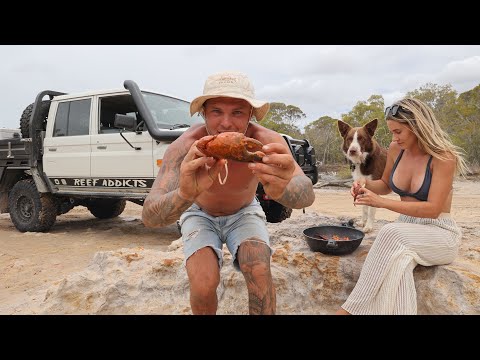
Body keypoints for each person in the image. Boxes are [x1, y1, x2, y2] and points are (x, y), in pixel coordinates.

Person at [142, 71, 315, 315]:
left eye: (237, 112)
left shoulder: (266, 141)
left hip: (244, 211)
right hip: (199, 212)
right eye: (216, 112)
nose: (226, 123)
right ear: (203, 113)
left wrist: (283, 189)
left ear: (250, 116)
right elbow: (149, 216)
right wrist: (184, 194)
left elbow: (306, 194)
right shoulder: (185, 146)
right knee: (203, 283)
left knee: (258, 271)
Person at [336, 97, 469, 315]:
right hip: (407, 230)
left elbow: (433, 209)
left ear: (417, 127)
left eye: (398, 132)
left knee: (389, 232)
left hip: (440, 233)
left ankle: (349, 310)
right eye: (391, 132)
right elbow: (386, 185)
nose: (394, 138)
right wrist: (364, 184)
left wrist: (380, 203)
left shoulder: (444, 158)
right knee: (398, 269)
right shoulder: (396, 149)